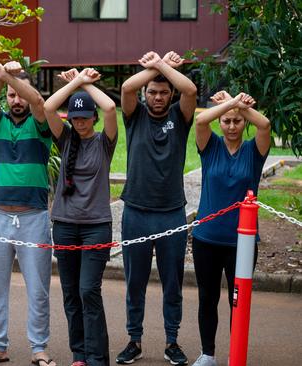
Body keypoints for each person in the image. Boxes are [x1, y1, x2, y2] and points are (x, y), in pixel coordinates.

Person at [116, 51, 197, 366]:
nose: (158, 97)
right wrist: (157, 67)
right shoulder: (134, 115)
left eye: (164, 92)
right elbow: (126, 88)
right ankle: (134, 340)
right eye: (152, 91)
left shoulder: (181, 115)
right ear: (145, 93)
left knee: (172, 282)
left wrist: (161, 65)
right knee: (134, 281)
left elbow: (189, 90)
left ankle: (172, 341)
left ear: (170, 94)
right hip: (135, 211)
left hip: (171, 213)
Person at [0, 61, 55, 366]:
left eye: (17, 94)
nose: (15, 100)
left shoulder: (40, 122)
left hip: (33, 217)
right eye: (10, 96)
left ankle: (39, 348)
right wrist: (0, 79)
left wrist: (9, 76)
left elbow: (36, 101)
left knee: (38, 289)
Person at [43, 67, 118, 366]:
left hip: (96, 226)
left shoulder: (104, 142)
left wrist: (86, 84)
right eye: (75, 118)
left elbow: (111, 106)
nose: (80, 122)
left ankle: (98, 357)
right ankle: (80, 354)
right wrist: (75, 83)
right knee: (71, 292)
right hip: (64, 225)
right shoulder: (66, 140)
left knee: (89, 290)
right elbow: (49, 107)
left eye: (85, 117)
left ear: (94, 118)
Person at [190, 91, 270, 366]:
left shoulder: (253, 151)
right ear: (220, 122)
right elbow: (201, 121)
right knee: (207, 298)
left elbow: (265, 125)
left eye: (237, 121)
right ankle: (207, 354)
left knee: (239, 302)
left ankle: (236, 354)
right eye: (226, 121)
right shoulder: (210, 146)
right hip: (206, 239)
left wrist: (238, 106)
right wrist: (231, 103)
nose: (232, 126)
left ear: (244, 123)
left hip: (242, 243)